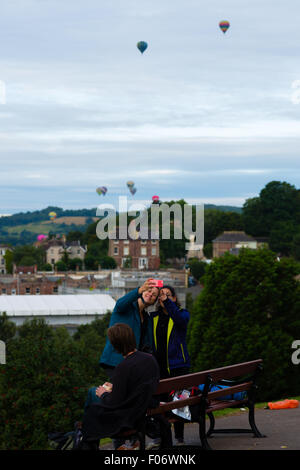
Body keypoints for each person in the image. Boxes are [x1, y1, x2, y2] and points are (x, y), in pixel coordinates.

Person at [80, 323, 160, 450]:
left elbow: (113, 403)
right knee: (93, 392)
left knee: (92, 393)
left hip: (128, 416)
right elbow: (139, 385)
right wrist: (115, 386)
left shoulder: (123, 367)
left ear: (116, 345)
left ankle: (86, 439)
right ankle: (87, 439)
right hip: (143, 407)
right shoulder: (149, 359)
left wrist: (104, 393)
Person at [147, 285, 191, 448]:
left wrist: (169, 304)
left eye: (168, 295)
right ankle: (159, 436)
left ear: (174, 298)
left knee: (178, 403)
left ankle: (179, 438)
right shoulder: (154, 317)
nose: (164, 297)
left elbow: (180, 321)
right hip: (160, 368)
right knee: (159, 404)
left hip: (178, 366)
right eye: (161, 295)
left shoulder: (182, 314)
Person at [99, 278, 160, 377]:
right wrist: (139, 290)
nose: (150, 295)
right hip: (115, 360)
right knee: (121, 390)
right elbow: (120, 303)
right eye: (149, 291)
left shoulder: (147, 318)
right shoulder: (126, 308)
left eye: (154, 295)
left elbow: (146, 344)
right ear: (142, 291)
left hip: (132, 363)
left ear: (154, 302)